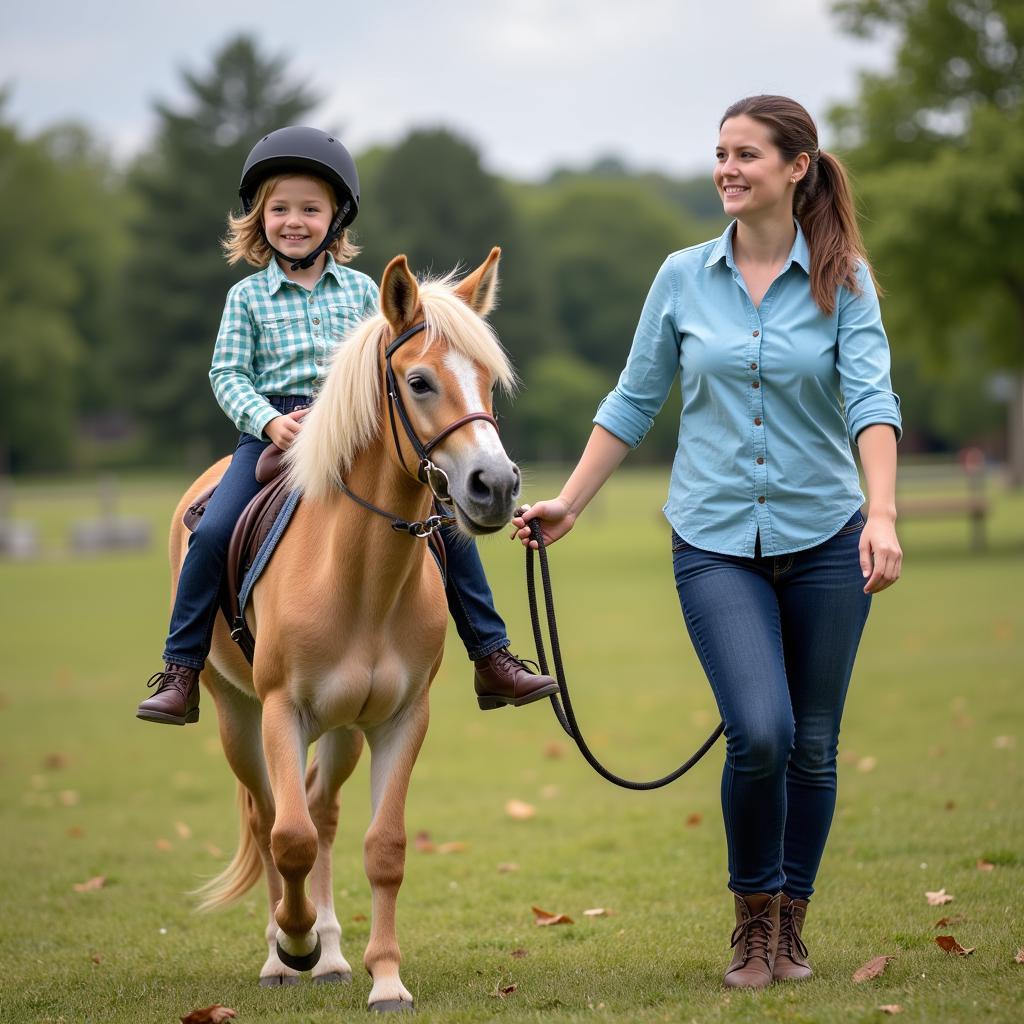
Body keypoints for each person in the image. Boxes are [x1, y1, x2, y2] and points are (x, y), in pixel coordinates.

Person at [513, 95, 902, 989]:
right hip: (714, 540)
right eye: (720, 153)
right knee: (759, 731)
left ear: (797, 166)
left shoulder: (845, 280)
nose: (727, 168)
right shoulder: (682, 277)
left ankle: (790, 922)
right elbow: (634, 399)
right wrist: (570, 501)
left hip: (826, 535)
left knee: (813, 742)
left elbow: (873, 402)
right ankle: (750, 919)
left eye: (746, 154)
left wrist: (880, 513)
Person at [137, 126, 555, 727]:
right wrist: (269, 421)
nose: (294, 221)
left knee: (443, 530)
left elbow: (389, 370)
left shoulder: (365, 291)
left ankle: (492, 657)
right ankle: (181, 670)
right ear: (260, 218)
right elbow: (226, 373)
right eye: (279, 208)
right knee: (211, 527)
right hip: (271, 434)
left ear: (336, 219)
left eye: (311, 208)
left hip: (355, 433)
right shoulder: (247, 298)